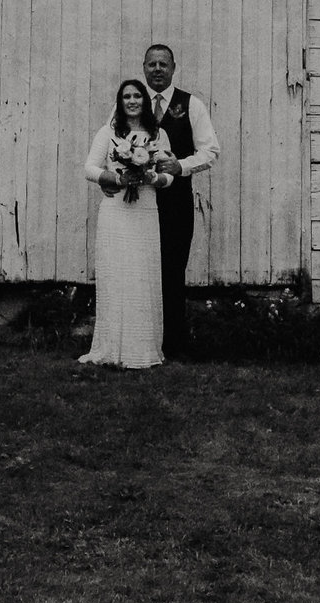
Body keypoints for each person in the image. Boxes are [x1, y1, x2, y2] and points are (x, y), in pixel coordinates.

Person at [78, 77, 173, 368]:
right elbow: (90, 168)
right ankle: (112, 349)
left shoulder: (159, 134)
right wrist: (117, 178)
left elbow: (170, 174)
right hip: (116, 212)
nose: (132, 101)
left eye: (137, 96)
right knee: (116, 276)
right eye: (126, 97)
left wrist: (154, 177)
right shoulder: (108, 133)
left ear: (145, 101)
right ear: (120, 102)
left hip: (145, 211)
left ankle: (142, 350)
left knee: (142, 277)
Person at [138, 43, 220, 358]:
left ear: (173, 68)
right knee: (141, 270)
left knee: (172, 271)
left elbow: (210, 151)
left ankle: (172, 344)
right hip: (138, 201)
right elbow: (113, 144)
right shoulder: (132, 101)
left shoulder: (191, 104)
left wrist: (181, 166)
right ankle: (140, 340)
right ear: (144, 68)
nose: (157, 69)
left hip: (175, 202)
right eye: (151, 64)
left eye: (163, 64)